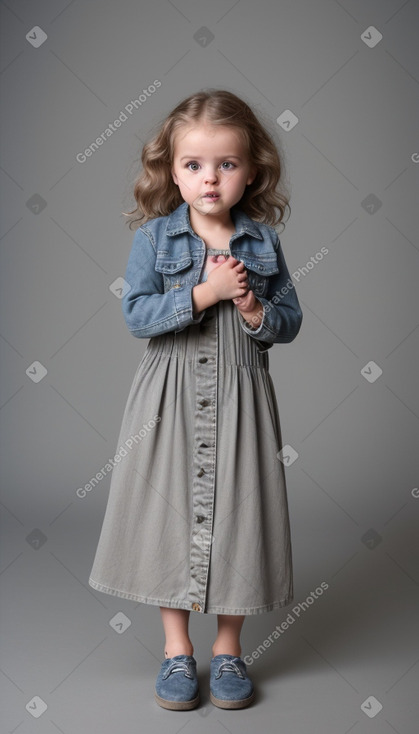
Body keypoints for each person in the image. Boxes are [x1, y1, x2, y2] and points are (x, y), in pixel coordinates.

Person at [88, 89, 303, 711]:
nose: (210, 178)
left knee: (241, 518)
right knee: (170, 520)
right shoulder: (156, 238)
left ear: (251, 170)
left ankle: (229, 648)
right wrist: (205, 294)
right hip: (168, 398)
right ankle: (177, 650)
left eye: (226, 164)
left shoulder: (261, 243)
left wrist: (257, 309)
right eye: (193, 165)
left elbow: (289, 319)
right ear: (171, 169)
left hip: (241, 397)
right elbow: (137, 315)